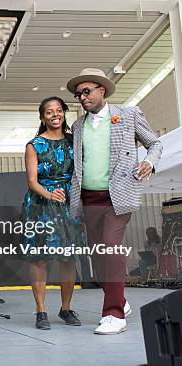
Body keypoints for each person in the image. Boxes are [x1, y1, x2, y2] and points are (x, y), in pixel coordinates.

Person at [67, 68, 162, 335]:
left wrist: (148, 162)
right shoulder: (77, 126)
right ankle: (120, 298)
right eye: (78, 94)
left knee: (110, 248)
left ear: (102, 90)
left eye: (86, 91)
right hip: (88, 198)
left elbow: (155, 144)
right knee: (98, 259)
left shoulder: (129, 114)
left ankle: (114, 314)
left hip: (118, 195)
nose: (82, 97)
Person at [22, 96, 85, 330]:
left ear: (64, 113)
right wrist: (50, 195)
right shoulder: (34, 145)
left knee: (68, 258)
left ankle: (66, 309)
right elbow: (31, 181)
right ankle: (41, 312)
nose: (55, 114)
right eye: (49, 112)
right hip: (41, 205)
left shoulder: (73, 141)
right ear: (42, 117)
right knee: (39, 258)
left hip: (70, 203)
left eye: (59, 110)